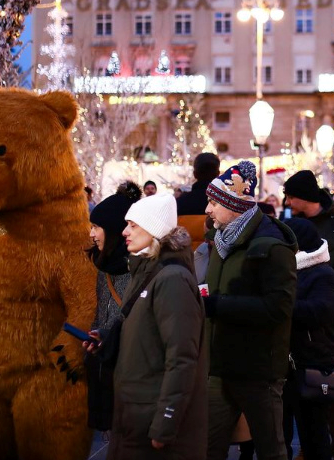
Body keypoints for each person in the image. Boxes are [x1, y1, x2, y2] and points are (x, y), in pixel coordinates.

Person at [98, 193, 207, 460]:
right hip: (135, 416)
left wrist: (165, 423)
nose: (125, 232)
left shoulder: (172, 279)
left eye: (133, 225)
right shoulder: (145, 270)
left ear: (153, 229)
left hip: (151, 421)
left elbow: (182, 358)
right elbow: (146, 334)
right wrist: (106, 338)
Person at [203, 161, 298, 460]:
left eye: (213, 202)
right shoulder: (221, 241)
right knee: (207, 447)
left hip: (259, 369)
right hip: (219, 365)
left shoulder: (271, 246)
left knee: (271, 449)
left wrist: (216, 305)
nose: (207, 209)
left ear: (234, 205)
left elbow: (278, 308)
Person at [281, 170, 334, 459]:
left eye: (291, 196)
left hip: (329, 319)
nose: (287, 201)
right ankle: (310, 446)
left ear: (302, 197)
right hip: (298, 321)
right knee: (299, 387)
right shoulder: (292, 224)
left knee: (330, 386)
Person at [84, 181, 143, 432]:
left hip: (127, 372)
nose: (91, 234)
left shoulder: (138, 269)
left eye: (96, 227)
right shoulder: (99, 263)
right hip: (101, 365)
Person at [281, 218, 334, 460]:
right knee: (280, 430)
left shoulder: (322, 273)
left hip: (310, 361)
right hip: (286, 362)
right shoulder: (287, 270)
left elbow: (321, 311)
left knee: (313, 432)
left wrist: (282, 305)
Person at [179, 153, 221, 250]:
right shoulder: (226, 204)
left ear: (195, 174)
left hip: (187, 259)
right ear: (218, 174)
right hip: (216, 260)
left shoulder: (180, 203)